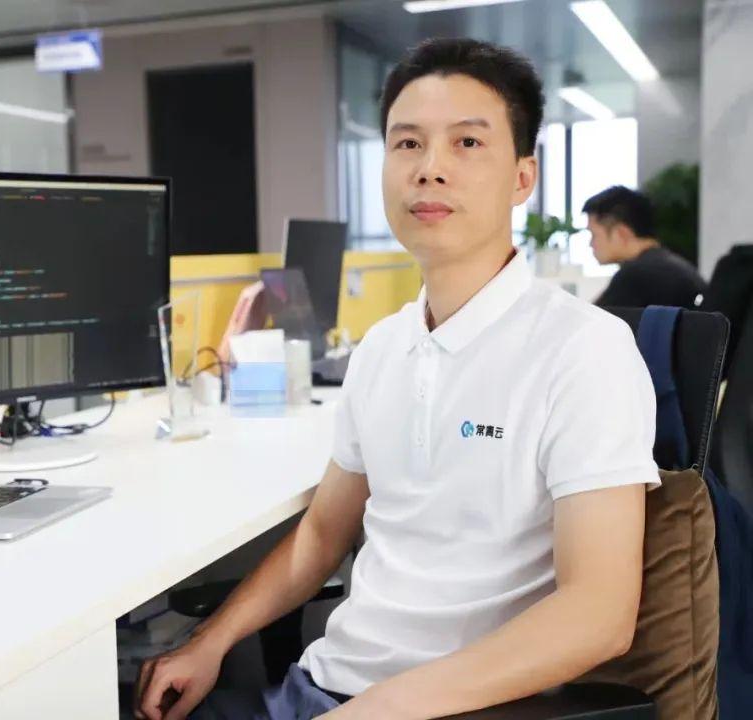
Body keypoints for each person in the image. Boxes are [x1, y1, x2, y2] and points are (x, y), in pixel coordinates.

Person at [135, 38, 658, 720]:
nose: (429, 169)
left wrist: (378, 710)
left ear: (523, 177)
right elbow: (321, 536)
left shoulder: (584, 349)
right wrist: (210, 641)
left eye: (467, 143)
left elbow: (599, 614)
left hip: (456, 707)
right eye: (407, 144)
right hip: (322, 686)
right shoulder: (382, 348)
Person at [585, 185, 707, 309]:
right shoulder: (674, 267)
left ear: (622, 234)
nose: (591, 244)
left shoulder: (636, 275)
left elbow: (593, 319)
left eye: (594, 234)